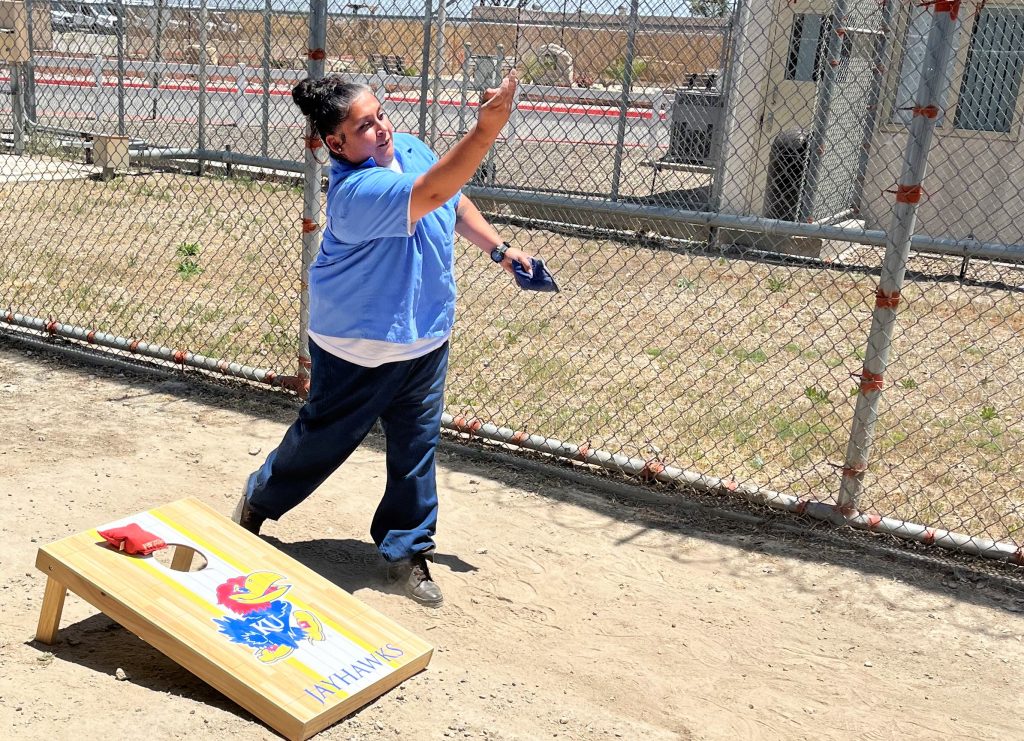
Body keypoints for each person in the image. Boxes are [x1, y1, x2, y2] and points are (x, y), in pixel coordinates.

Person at [232, 70, 534, 608]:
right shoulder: (355, 192)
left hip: (424, 337)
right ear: (335, 143)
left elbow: (453, 197)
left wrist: (499, 249)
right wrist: (487, 129)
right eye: (364, 126)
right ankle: (259, 499)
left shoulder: (412, 149)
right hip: (359, 345)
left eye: (380, 116)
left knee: (417, 448)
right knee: (323, 439)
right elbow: (434, 189)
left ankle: (407, 550)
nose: (381, 130)